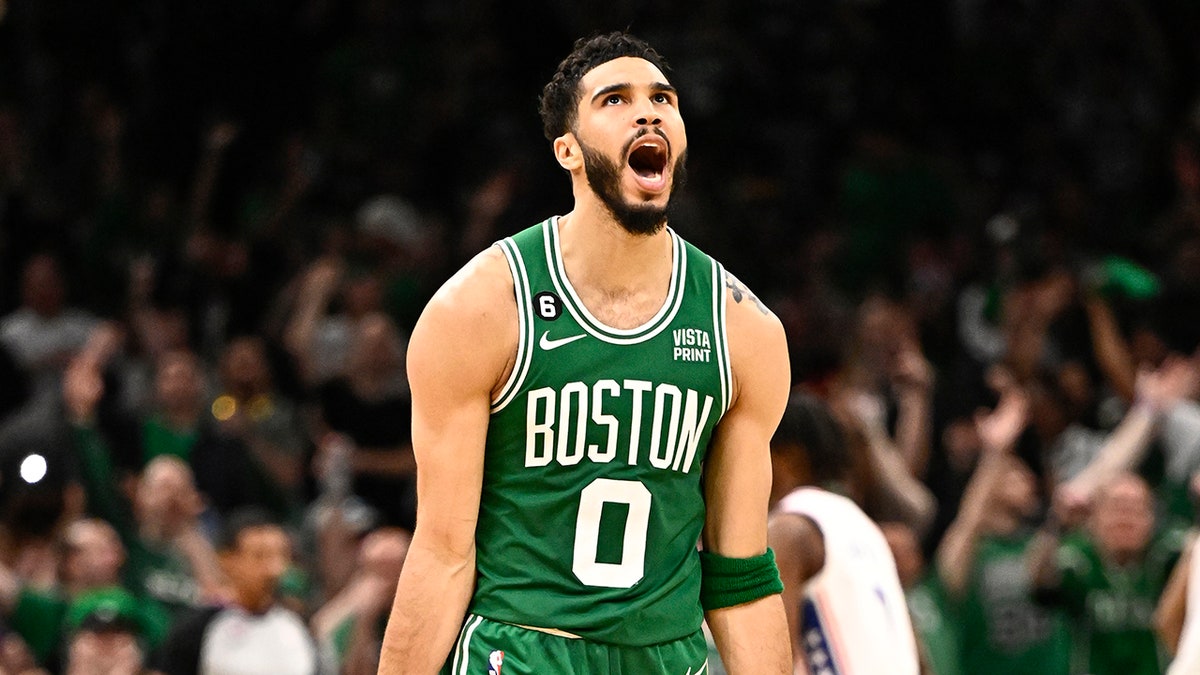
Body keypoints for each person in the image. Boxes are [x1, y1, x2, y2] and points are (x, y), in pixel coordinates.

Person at [378, 31, 792, 674]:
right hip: (521, 650)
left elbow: (739, 574)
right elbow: (441, 552)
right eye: (616, 100)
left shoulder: (744, 331)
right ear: (567, 150)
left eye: (663, 98)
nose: (648, 111)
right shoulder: (481, 310)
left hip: (667, 657)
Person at [767, 394, 921, 674]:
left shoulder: (789, 529)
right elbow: (919, 656)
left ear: (787, 457)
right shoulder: (866, 527)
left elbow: (772, 662)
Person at [1029, 471, 1185, 675]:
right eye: (1117, 508)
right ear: (1094, 517)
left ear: (1152, 519)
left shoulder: (1165, 558)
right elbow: (1038, 581)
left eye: (1136, 509)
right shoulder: (1078, 560)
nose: (1126, 519)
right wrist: (1056, 524)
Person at [153, 508, 316, 675]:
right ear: (226, 560)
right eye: (259, 556)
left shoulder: (299, 624)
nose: (273, 569)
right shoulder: (197, 630)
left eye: (280, 555)